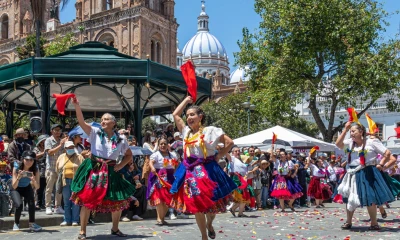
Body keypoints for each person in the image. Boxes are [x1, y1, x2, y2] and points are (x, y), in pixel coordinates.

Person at [170, 96, 237, 240]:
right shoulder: (186, 131)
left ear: (200, 117)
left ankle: (209, 224)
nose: (189, 117)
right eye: (187, 115)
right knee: (197, 205)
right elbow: (175, 115)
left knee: (211, 204)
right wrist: (186, 101)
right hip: (190, 171)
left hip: (208, 170)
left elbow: (230, 142)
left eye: (192, 114)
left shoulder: (210, 131)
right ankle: (203, 236)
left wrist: (219, 155)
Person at [70, 96, 136, 240]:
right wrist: (77, 106)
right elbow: (81, 122)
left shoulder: (121, 139)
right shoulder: (95, 132)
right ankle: (82, 231)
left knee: (117, 201)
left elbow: (129, 155)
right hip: (94, 169)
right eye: (102, 119)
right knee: (87, 199)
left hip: (112, 170)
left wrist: (120, 165)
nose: (103, 121)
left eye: (106, 119)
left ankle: (115, 228)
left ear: (113, 123)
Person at [336, 122, 395, 230]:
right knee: (349, 197)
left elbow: (387, 153)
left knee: (370, 197)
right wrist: (345, 129)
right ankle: (348, 222)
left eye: (353, 131)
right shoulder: (349, 143)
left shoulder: (372, 142)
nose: (351, 133)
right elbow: (338, 144)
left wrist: (381, 164)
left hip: (367, 171)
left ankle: (374, 222)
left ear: (361, 132)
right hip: (351, 172)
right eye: (350, 132)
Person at [147, 137, 178, 225]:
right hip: (159, 178)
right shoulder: (156, 154)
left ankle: (161, 218)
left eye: (165, 143)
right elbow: (151, 162)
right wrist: (152, 168)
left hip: (170, 178)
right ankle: (160, 219)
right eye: (161, 144)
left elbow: (177, 164)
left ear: (168, 145)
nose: (163, 145)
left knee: (168, 200)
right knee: (160, 198)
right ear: (159, 145)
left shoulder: (173, 155)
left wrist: (176, 173)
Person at [10, 151, 42, 231]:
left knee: (31, 203)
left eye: (31, 160)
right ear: (23, 159)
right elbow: (14, 185)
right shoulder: (17, 166)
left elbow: (37, 187)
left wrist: (34, 180)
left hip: (26, 187)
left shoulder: (35, 168)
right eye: (27, 159)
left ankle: (32, 223)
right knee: (19, 205)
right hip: (16, 187)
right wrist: (18, 177)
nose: (29, 162)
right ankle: (16, 223)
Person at [56, 141, 84, 226]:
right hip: (65, 181)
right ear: (65, 149)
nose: (70, 149)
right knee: (66, 202)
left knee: (75, 201)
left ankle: (75, 220)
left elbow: (83, 169)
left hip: (75, 182)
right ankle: (67, 219)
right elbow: (57, 169)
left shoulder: (79, 157)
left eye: (72, 147)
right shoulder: (61, 157)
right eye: (68, 148)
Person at [44, 124, 68, 215]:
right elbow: (49, 152)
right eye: (56, 130)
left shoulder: (62, 141)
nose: (58, 132)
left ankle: (57, 206)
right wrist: (60, 145)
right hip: (51, 168)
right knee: (49, 189)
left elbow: (65, 153)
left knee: (59, 189)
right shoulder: (48, 140)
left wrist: (66, 144)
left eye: (59, 130)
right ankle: (48, 206)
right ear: (52, 131)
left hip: (60, 168)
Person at [226, 146, 254, 217]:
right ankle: (238, 211)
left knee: (243, 196)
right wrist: (225, 149)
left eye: (239, 151)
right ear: (232, 153)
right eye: (236, 151)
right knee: (243, 195)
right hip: (236, 179)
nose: (238, 152)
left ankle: (234, 209)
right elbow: (227, 155)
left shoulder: (241, 160)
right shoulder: (232, 159)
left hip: (242, 179)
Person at [33, 134, 49, 209]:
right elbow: (34, 156)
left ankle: (45, 203)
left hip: (47, 169)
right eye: (43, 141)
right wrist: (43, 153)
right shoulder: (36, 148)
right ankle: (39, 203)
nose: (44, 142)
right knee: (40, 188)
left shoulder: (48, 148)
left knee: (47, 188)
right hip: (39, 170)